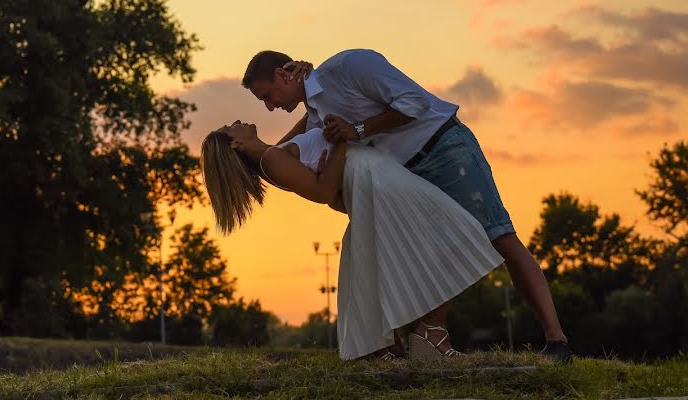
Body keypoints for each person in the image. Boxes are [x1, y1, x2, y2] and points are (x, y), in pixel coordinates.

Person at [240, 49, 572, 363]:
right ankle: (430, 337)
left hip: (443, 149)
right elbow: (281, 154)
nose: (269, 107)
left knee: (499, 237)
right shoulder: (315, 117)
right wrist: (242, 154)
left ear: (283, 75)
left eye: (267, 96)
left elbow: (414, 102)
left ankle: (556, 341)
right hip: (407, 171)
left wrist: (358, 129)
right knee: (422, 248)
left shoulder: (348, 66)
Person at [201, 121, 503, 360]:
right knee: (453, 229)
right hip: (371, 175)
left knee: (405, 253)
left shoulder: (274, 152)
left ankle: (414, 336)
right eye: (232, 127)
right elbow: (322, 192)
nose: (238, 121)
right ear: (237, 143)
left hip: (371, 176)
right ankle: (427, 333)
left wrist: (310, 81)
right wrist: (341, 143)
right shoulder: (272, 159)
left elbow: (311, 119)